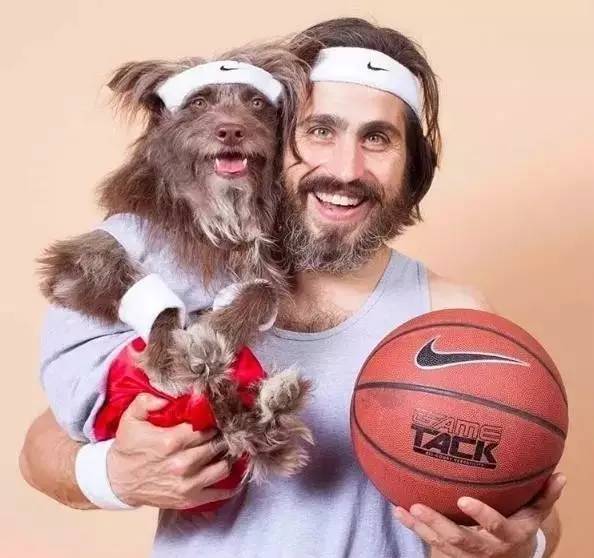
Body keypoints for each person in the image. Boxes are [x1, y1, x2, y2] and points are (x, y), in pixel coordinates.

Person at [20, 17, 564, 558]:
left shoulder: (452, 316)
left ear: (411, 165)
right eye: (320, 131)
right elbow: (41, 449)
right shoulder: (189, 279)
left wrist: (521, 547)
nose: (345, 169)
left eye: (377, 138)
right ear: (274, 143)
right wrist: (115, 475)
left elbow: (526, 510)